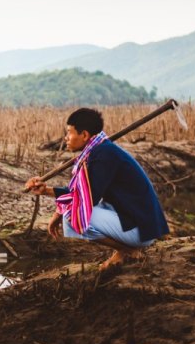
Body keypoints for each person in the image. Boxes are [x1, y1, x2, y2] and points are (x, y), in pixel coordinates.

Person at [25, 107, 169, 270]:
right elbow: (83, 192)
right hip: (136, 222)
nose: (66, 138)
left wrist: (49, 194)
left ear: (85, 135)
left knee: (73, 215)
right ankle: (125, 250)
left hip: (140, 230)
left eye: (69, 132)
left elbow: (88, 198)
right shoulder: (98, 150)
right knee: (71, 213)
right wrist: (48, 193)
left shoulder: (104, 154)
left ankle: (127, 250)